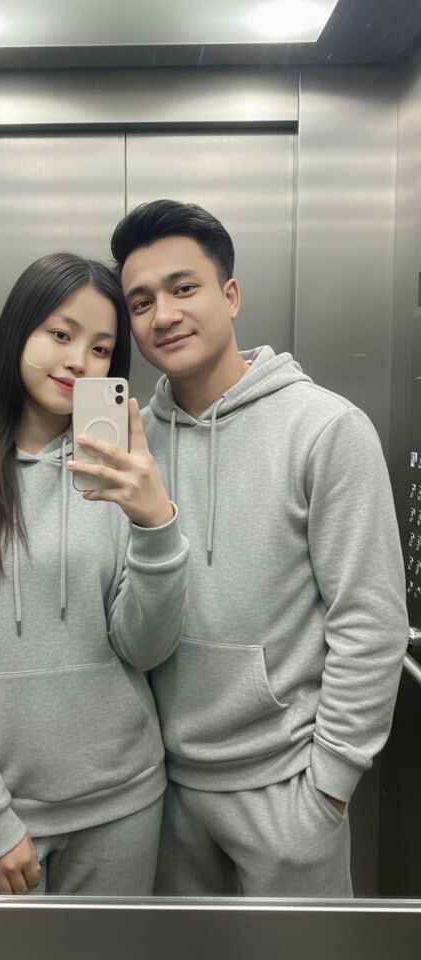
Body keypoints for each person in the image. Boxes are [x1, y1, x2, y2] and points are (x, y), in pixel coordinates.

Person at [110, 199, 409, 898]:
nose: (163, 315)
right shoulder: (130, 444)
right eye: (141, 302)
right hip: (160, 793)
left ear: (231, 295)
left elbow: (370, 622)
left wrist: (329, 787)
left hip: (288, 790)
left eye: (184, 288)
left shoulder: (326, 428)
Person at [0, 252, 188, 896]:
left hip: (120, 803)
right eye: (60, 333)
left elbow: (146, 647)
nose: (79, 361)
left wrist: (155, 524)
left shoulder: (122, 476)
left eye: (101, 348)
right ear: (17, 333)